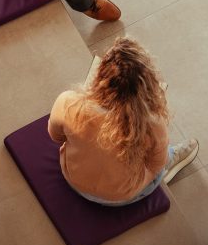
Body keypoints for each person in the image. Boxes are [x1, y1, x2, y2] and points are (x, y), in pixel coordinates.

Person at [47, 37, 199, 205]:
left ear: (101, 74)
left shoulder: (68, 102)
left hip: (73, 178)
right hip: (120, 197)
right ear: (146, 88)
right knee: (161, 159)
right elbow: (155, 165)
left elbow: (56, 136)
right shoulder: (152, 125)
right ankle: (171, 162)